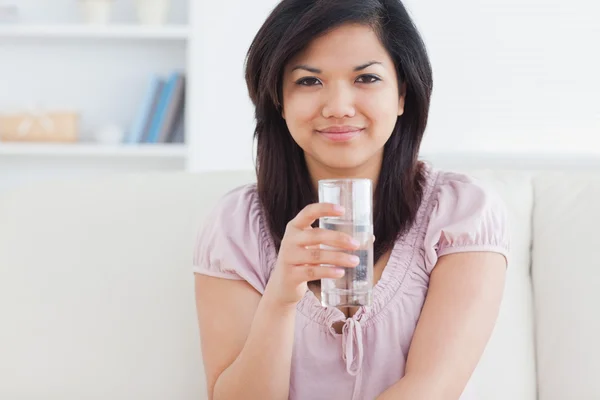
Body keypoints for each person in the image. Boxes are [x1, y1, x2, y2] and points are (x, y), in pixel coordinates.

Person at [193, 0, 509, 399]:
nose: (339, 107)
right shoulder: (234, 225)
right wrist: (280, 297)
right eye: (309, 81)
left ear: (401, 95)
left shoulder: (462, 213)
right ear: (279, 99)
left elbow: (430, 390)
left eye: (366, 79)